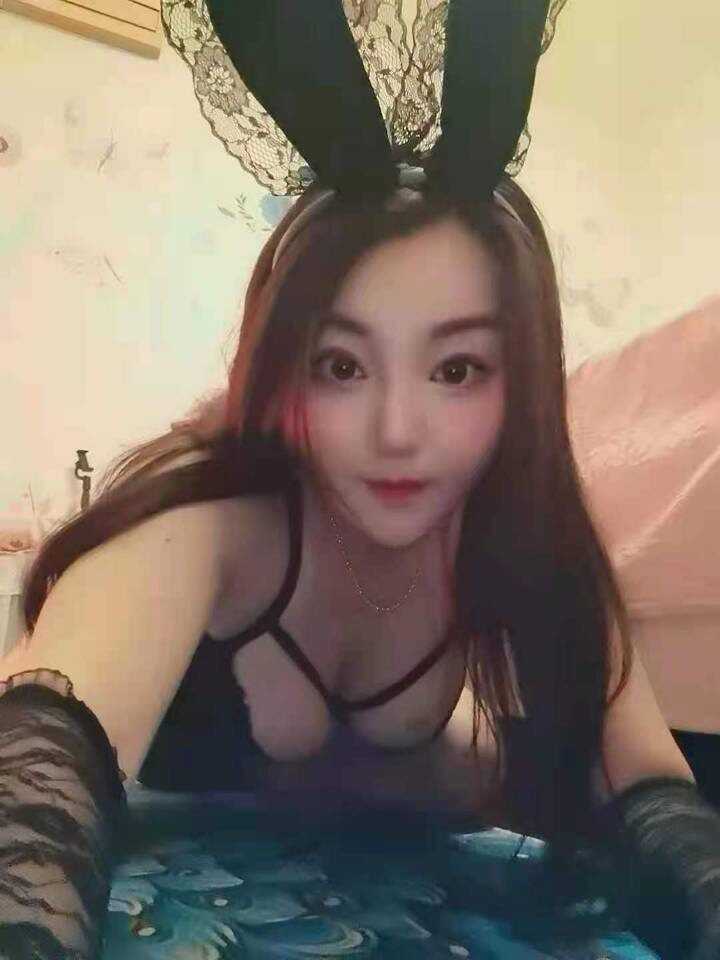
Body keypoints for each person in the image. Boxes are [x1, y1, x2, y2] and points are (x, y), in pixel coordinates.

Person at [1, 2, 720, 958]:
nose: (396, 432)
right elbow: (37, 763)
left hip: (433, 803)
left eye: (457, 368)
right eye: (340, 366)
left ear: (522, 380)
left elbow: (654, 794)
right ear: (282, 366)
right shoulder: (209, 517)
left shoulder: (521, 528)